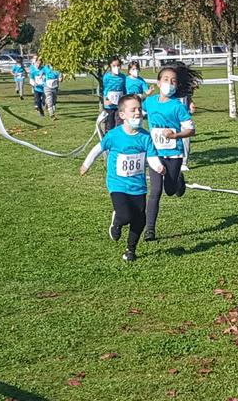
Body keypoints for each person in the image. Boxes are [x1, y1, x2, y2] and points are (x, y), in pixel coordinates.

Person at [79, 93, 157, 264]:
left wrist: (158, 167)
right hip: (118, 184)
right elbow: (97, 149)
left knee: (140, 219)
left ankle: (130, 250)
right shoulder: (114, 135)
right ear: (122, 115)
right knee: (125, 215)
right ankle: (117, 223)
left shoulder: (145, 136)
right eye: (133, 110)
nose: (138, 113)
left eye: (139, 109)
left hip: (138, 186)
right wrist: (86, 164)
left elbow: (152, 157)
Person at [140, 62, 197, 242]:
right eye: (166, 80)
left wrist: (175, 135)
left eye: (173, 81)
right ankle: (150, 230)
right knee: (155, 190)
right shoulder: (149, 102)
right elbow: (136, 114)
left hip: (174, 153)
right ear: (158, 83)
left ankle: (178, 180)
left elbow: (191, 130)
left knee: (170, 190)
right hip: (154, 154)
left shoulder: (177, 106)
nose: (169, 84)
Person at [97, 58, 126, 137]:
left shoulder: (123, 77)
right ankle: (109, 140)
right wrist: (105, 100)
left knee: (120, 122)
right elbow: (102, 89)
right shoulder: (106, 77)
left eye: (118, 65)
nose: (116, 67)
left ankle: (119, 138)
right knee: (110, 124)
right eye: (114, 66)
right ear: (110, 66)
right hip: (109, 105)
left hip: (119, 104)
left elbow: (124, 89)